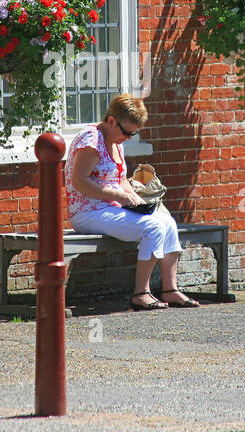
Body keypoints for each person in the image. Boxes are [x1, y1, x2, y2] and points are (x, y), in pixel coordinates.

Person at [64, 93, 197, 310]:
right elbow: (80, 181)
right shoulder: (91, 140)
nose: (127, 137)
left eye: (133, 134)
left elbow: (120, 178)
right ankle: (141, 293)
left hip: (110, 207)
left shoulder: (116, 141)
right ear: (110, 120)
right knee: (153, 227)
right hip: (87, 212)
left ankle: (170, 289)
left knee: (167, 221)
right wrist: (120, 196)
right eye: (126, 132)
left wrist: (134, 195)